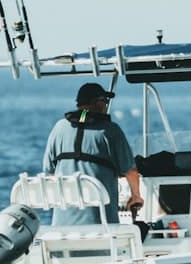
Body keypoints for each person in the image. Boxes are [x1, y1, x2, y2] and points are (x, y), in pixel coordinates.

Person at [43, 82, 143, 225]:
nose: (107, 106)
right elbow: (130, 171)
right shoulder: (110, 130)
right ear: (97, 103)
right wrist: (136, 197)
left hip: (62, 225)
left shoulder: (58, 128)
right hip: (101, 225)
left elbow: (50, 172)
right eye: (105, 101)